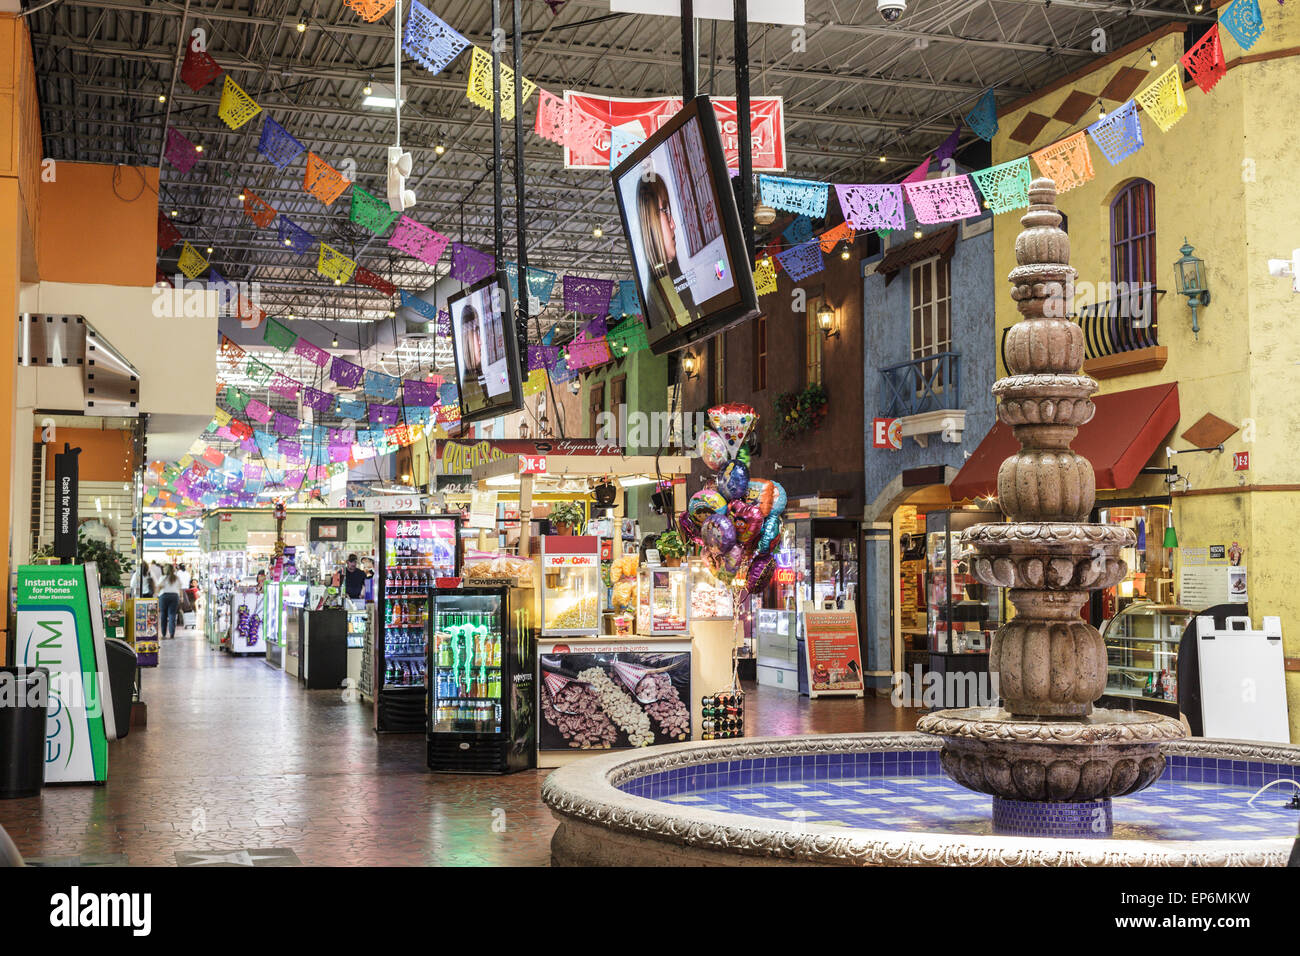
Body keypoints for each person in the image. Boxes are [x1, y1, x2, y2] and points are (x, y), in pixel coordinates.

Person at [635, 170, 701, 329]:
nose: (673, 225)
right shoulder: (656, 292)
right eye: (665, 211)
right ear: (650, 221)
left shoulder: (671, 277)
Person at [157, 564, 183, 639]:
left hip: (164, 596)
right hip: (174, 596)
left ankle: (164, 633)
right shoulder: (177, 578)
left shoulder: (162, 578)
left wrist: (156, 594)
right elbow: (180, 588)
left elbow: (159, 587)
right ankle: (172, 634)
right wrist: (181, 597)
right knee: (172, 615)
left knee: (163, 615)